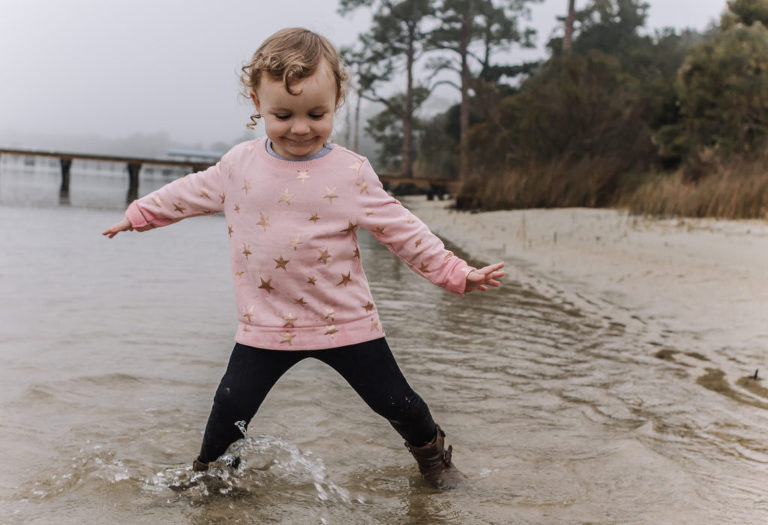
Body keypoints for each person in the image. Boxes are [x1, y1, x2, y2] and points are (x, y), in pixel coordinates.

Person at [102, 27, 505, 490]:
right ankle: (212, 482)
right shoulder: (238, 167)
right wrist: (139, 215)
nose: (300, 127)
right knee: (230, 405)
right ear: (256, 102)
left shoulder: (351, 172)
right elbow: (188, 193)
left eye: (317, 113)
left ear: (337, 100)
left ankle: (434, 458)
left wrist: (457, 272)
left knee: (396, 402)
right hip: (266, 323)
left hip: (345, 321)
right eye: (283, 114)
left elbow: (402, 229)